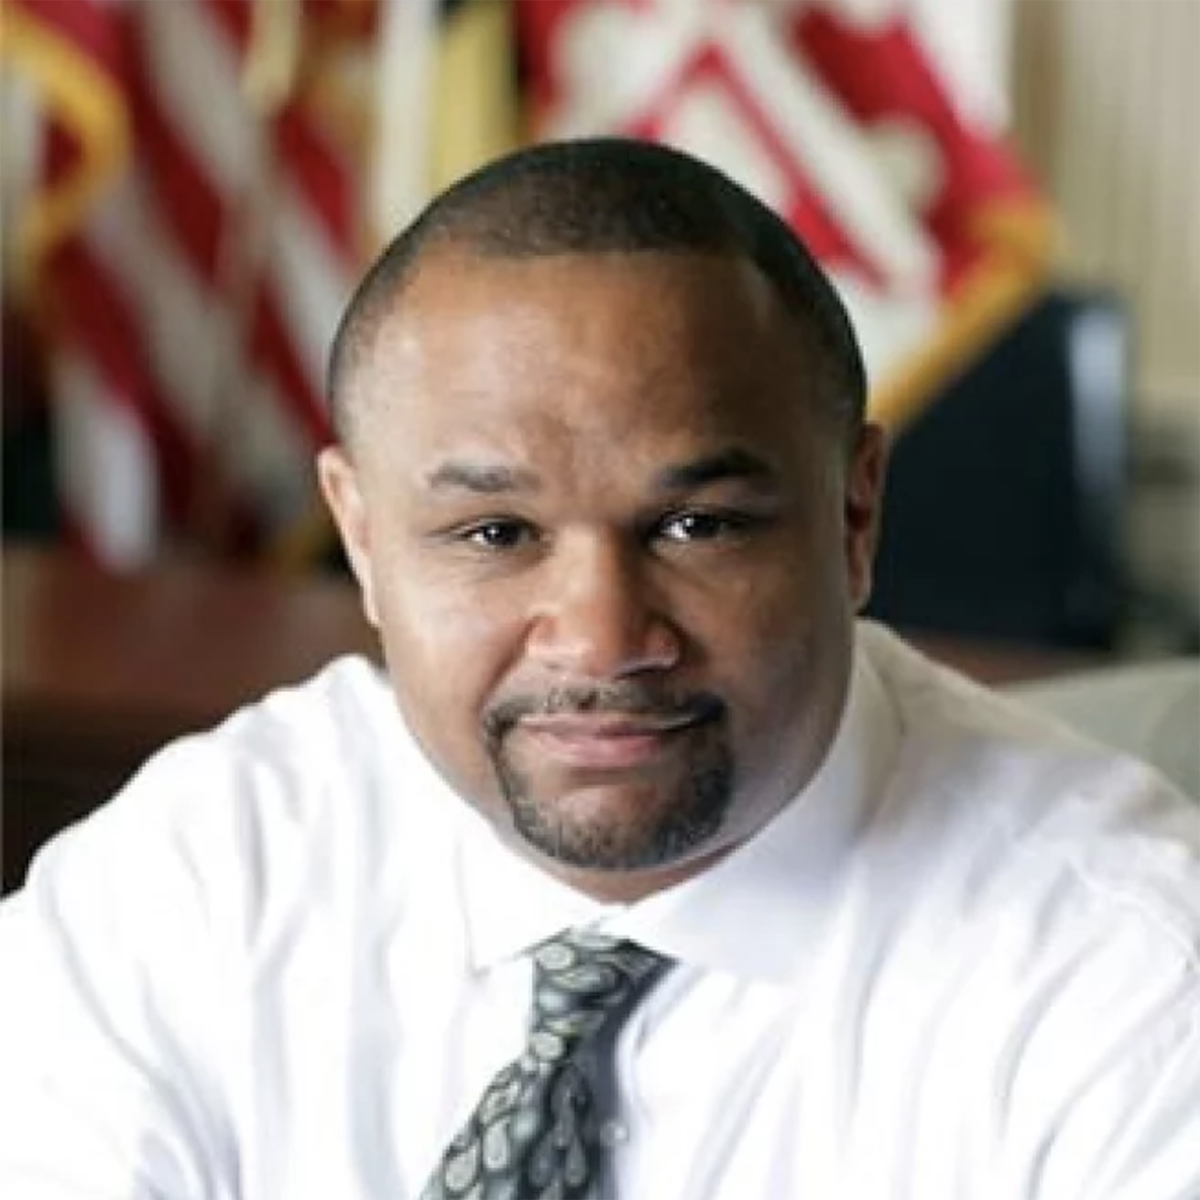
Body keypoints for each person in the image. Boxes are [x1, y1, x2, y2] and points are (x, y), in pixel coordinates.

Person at [1, 137, 1197, 1200]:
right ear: (363, 540)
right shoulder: (207, 873)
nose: (602, 637)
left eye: (697, 527)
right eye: (494, 535)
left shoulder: (1129, 977)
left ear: (853, 516)